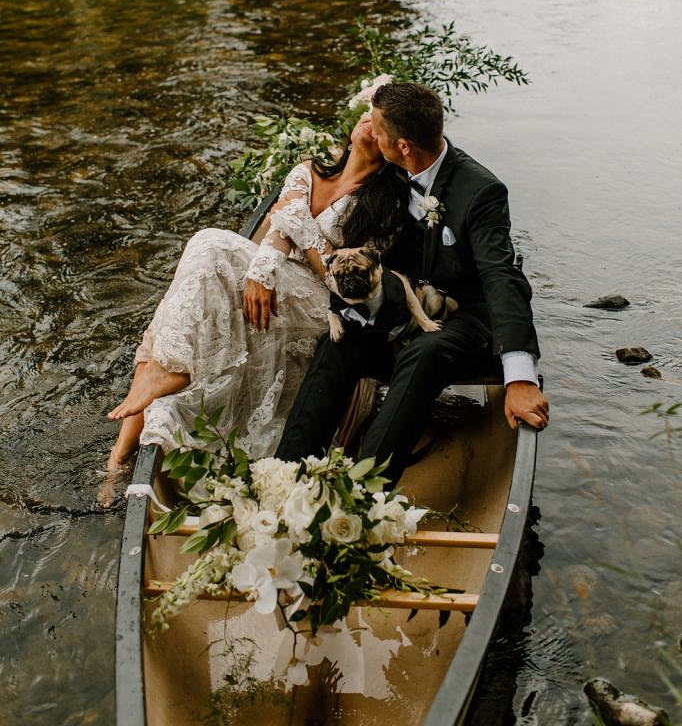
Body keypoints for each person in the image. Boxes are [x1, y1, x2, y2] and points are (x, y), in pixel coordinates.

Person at [103, 114, 408, 482]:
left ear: (393, 145)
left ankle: (168, 373)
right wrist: (261, 274)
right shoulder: (309, 169)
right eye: (366, 115)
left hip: (324, 307)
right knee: (179, 301)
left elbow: (346, 282)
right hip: (277, 281)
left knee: (211, 243)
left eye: (379, 124)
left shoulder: (385, 205)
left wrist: (300, 228)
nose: (368, 124)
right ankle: (119, 454)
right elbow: (279, 232)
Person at [276, 82, 549, 485]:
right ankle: (286, 475)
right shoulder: (391, 167)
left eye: (378, 131)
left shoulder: (482, 191)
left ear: (403, 145)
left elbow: (500, 275)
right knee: (339, 341)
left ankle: (365, 493)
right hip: (396, 303)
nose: (370, 133)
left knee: (426, 351)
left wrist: (521, 377)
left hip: (463, 314)